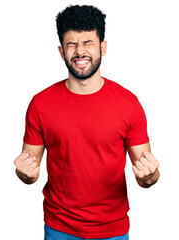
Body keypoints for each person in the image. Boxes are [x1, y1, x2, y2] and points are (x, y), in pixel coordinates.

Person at [14, 5, 160, 240]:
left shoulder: (128, 104)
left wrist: (149, 176)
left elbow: (147, 174)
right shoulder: (40, 104)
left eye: (88, 43)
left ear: (103, 47)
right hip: (59, 228)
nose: (79, 51)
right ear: (61, 51)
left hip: (112, 229)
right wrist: (24, 173)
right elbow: (29, 171)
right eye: (71, 44)